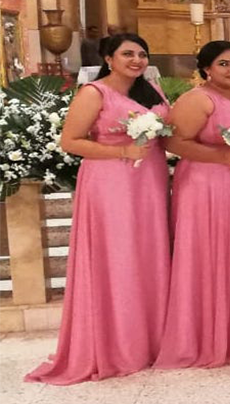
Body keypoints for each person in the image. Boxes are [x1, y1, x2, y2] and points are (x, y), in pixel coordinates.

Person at [26, 33, 171, 385]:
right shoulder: (94, 93)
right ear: (108, 58)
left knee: (149, 253)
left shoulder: (152, 91)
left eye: (142, 54)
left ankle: (154, 339)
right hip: (110, 182)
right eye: (127, 54)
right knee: (119, 255)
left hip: (149, 180)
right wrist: (121, 151)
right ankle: (118, 343)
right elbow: (70, 141)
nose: (136, 60)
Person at [155, 41, 230, 368]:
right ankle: (206, 334)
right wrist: (220, 156)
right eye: (224, 64)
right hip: (206, 185)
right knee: (210, 252)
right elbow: (173, 141)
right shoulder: (198, 99)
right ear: (206, 68)